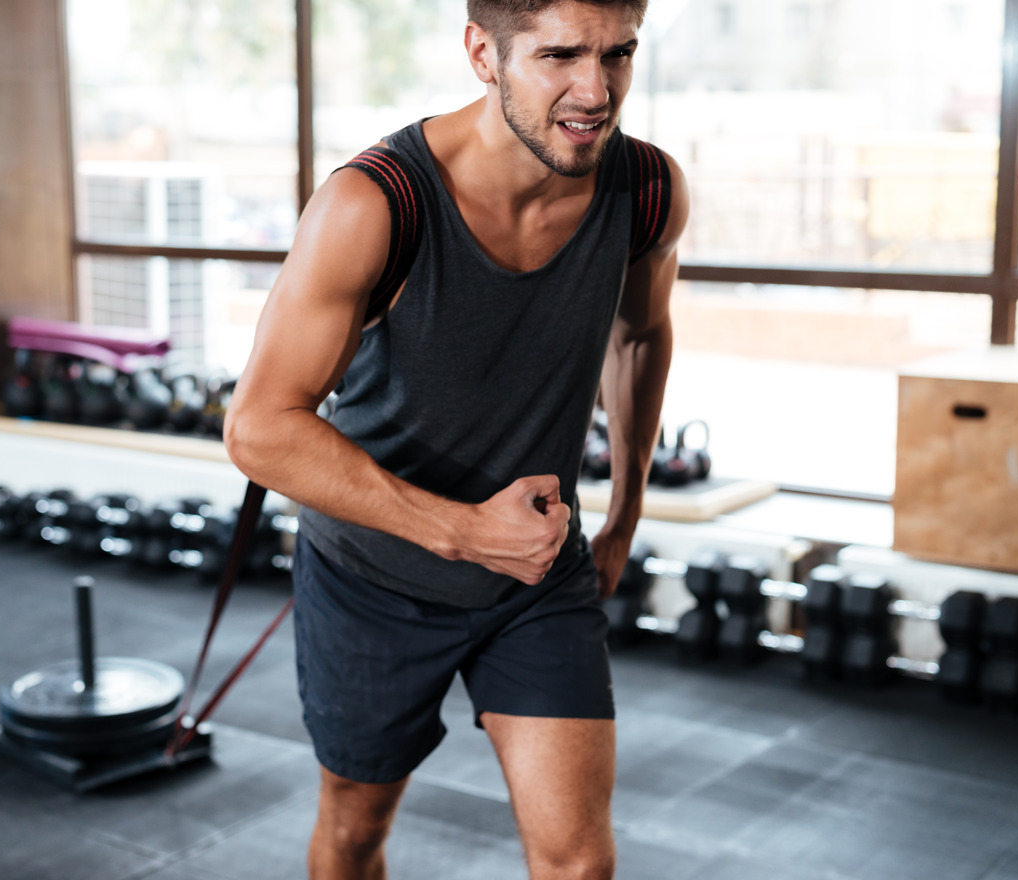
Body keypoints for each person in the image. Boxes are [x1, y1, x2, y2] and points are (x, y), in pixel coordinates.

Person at [225, 0, 687, 876]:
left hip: (536, 575)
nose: (596, 90)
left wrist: (625, 513)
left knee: (579, 863)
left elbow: (639, 336)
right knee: (357, 834)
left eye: (619, 54)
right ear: (484, 53)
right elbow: (258, 429)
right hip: (373, 580)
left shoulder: (647, 191)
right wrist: (468, 531)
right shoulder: (374, 203)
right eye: (559, 57)